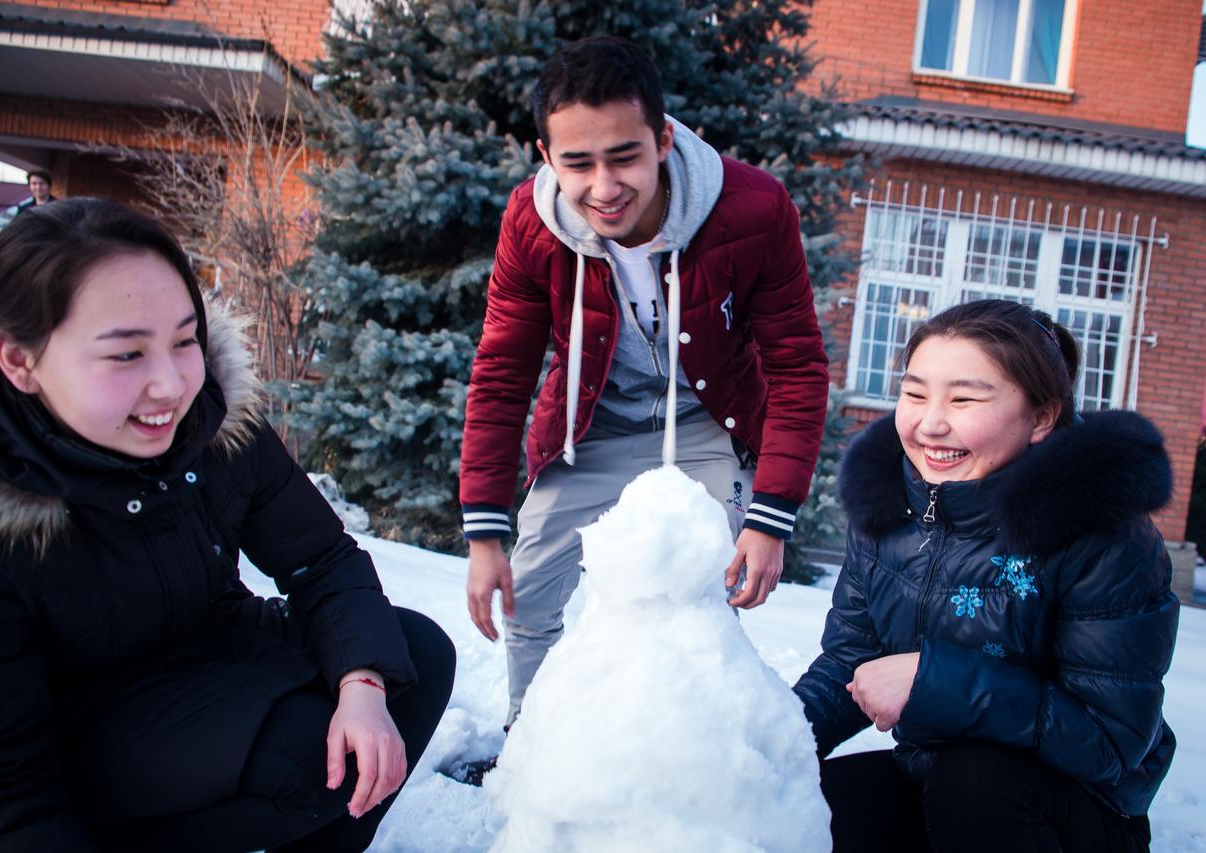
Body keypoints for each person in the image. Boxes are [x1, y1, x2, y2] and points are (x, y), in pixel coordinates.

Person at [0, 198, 456, 852]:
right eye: (126, 356)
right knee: (306, 760)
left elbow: (320, 558)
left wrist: (363, 685)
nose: (171, 385)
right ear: (19, 361)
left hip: (215, 644)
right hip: (89, 737)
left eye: (184, 340)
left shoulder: (211, 422)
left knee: (416, 655)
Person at [460, 35, 829, 746]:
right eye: (578, 163)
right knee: (530, 588)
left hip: (706, 421)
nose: (604, 186)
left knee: (708, 590)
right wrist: (483, 529)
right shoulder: (531, 223)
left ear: (662, 139)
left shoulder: (753, 210)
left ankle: (682, 756)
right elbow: (502, 370)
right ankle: (531, 745)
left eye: (624, 155)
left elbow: (796, 366)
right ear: (546, 158)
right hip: (591, 422)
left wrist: (771, 516)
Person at [793, 299, 1178, 852]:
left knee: (974, 781)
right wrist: (770, 742)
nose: (930, 423)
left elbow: (1112, 741)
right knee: (809, 806)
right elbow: (851, 661)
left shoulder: (1100, 534)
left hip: (1073, 811)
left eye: (964, 399)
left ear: (1042, 416)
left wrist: (932, 680)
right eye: (915, 393)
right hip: (936, 780)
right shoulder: (887, 509)